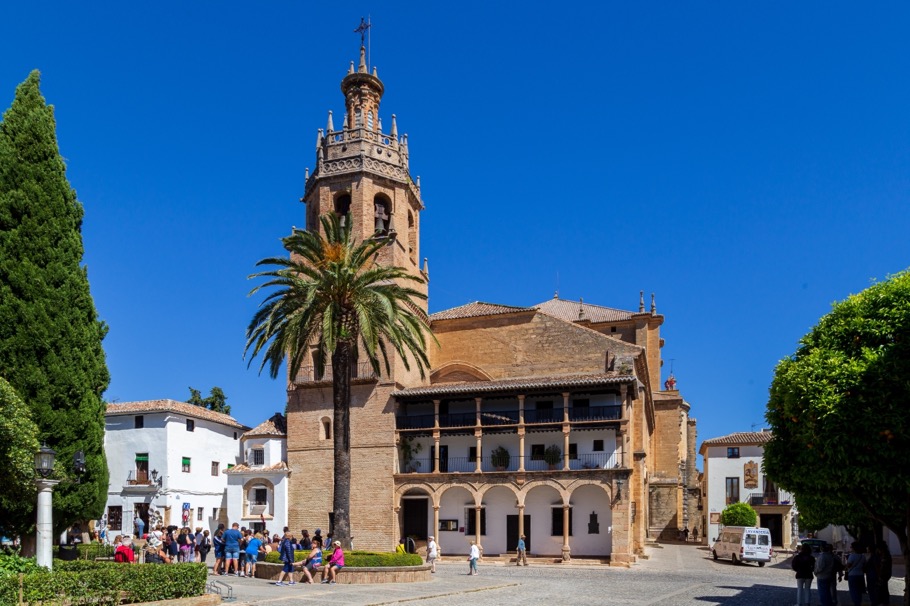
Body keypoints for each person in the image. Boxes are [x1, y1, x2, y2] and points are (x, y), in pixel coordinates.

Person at [845, 542, 866, 606]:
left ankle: (856, 603)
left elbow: (848, 566)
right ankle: (859, 602)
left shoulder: (852, 556)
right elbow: (864, 565)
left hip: (852, 575)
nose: (850, 548)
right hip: (860, 575)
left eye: (851, 547)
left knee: (853, 590)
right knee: (859, 591)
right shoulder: (862, 556)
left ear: (854, 548)